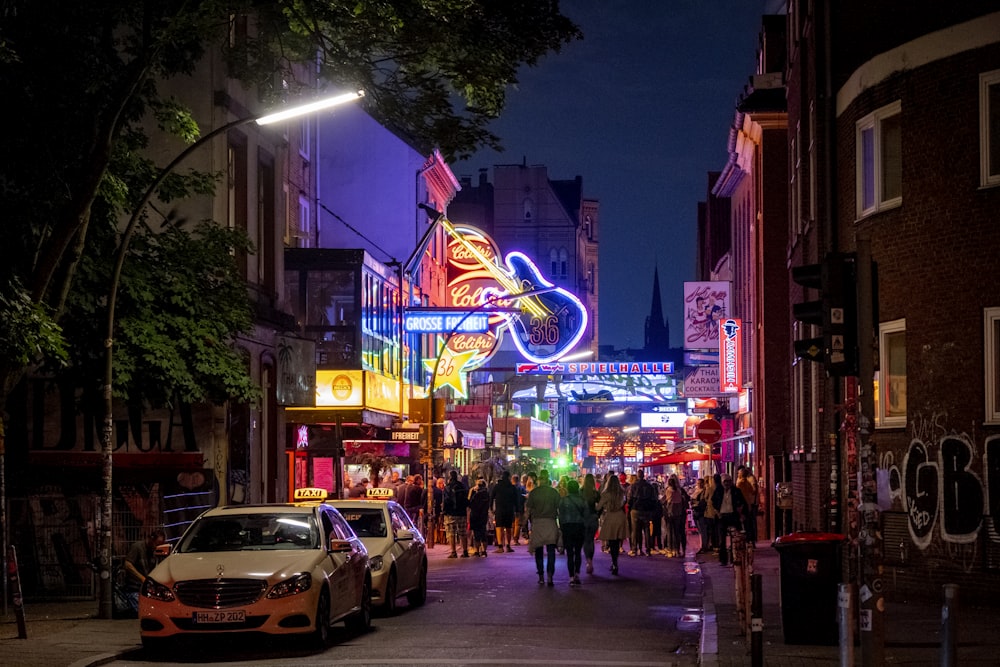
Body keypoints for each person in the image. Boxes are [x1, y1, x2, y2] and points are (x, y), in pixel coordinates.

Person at [525, 469, 561, 585]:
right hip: (550, 522)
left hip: (538, 523)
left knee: (539, 551)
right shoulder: (554, 492)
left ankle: (541, 575)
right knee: (551, 551)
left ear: (540, 480)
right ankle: (550, 575)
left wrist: (523, 524)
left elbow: (528, 510)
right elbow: (559, 508)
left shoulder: (534, 493)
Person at [123, 529, 166, 613]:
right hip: (134, 587)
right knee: (143, 611)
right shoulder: (137, 547)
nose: (157, 546)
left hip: (146, 588)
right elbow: (128, 564)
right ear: (151, 539)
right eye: (157, 544)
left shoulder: (154, 552)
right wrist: (142, 578)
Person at [711, 473, 748, 566]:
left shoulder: (736, 491)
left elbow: (743, 502)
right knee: (722, 540)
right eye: (725, 481)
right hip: (722, 516)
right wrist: (717, 512)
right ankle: (723, 560)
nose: (727, 483)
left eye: (728, 481)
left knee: (734, 539)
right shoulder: (718, 491)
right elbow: (713, 502)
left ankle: (733, 559)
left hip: (733, 515)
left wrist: (741, 512)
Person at [596, 473, 627, 575]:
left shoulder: (606, 494)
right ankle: (615, 562)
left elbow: (598, 506)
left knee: (612, 540)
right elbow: (624, 503)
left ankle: (614, 562)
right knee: (617, 541)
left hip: (610, 516)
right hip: (620, 516)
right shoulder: (622, 493)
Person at [558, 479, 587, 586]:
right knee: (578, 551)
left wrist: (561, 527)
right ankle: (577, 574)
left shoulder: (563, 500)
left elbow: (560, 514)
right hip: (579, 526)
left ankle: (571, 577)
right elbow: (586, 514)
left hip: (567, 526)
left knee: (569, 553)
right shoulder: (582, 500)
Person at [626, 469, 656, 556]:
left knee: (635, 530)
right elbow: (654, 499)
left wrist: (629, 506)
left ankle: (634, 549)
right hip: (646, 509)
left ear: (638, 476)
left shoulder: (633, 486)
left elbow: (629, 498)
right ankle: (648, 549)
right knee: (646, 530)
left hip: (635, 509)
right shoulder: (649, 486)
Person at [443, 470, 470, 558]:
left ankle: (453, 552)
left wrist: (444, 511)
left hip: (451, 513)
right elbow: (466, 499)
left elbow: (446, 500)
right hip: (461, 512)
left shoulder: (447, 487)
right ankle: (465, 551)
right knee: (462, 532)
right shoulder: (462, 486)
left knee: (451, 533)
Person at [491, 470, 518, 553]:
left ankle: (500, 546)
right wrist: (516, 509)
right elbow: (516, 499)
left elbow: (492, 497)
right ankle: (508, 545)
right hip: (509, 510)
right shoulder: (512, 487)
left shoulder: (497, 486)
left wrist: (491, 508)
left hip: (499, 509)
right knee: (508, 528)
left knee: (499, 527)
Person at [663, 475, 688, 557]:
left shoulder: (668, 490)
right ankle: (679, 550)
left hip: (670, 514)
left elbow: (664, 500)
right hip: (680, 514)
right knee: (678, 532)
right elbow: (686, 500)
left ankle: (670, 549)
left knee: (670, 532)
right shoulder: (680, 491)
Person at [580, 473, 601, 574]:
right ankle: (590, 560)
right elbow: (601, 505)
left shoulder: (580, 492)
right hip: (593, 517)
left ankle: (587, 560)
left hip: (583, 518)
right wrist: (598, 514)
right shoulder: (595, 493)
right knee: (591, 540)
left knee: (585, 540)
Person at [468, 479, 491, 557]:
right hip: (483, 516)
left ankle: (477, 551)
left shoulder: (475, 493)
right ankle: (484, 551)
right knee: (483, 532)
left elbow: (469, 503)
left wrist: (472, 492)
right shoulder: (486, 494)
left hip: (475, 515)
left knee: (476, 533)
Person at [736, 465, 759, 544]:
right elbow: (753, 491)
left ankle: (746, 540)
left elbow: (738, 495)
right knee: (749, 523)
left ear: (741, 474)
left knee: (744, 524)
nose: (737, 474)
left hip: (743, 506)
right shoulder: (747, 482)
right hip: (748, 504)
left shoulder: (740, 484)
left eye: (738, 473)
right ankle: (751, 540)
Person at [690, 477, 711, 554]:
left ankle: (704, 546)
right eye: (698, 483)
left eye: (700, 483)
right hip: (696, 512)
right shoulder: (696, 491)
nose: (699, 484)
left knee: (703, 530)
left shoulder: (704, 492)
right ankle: (703, 545)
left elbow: (702, 502)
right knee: (700, 530)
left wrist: (695, 504)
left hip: (700, 512)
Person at [511, 474, 527, 546]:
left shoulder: (510, 488)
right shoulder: (521, 488)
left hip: (511, 509)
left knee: (512, 524)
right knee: (517, 524)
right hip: (519, 508)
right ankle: (515, 539)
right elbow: (524, 497)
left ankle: (512, 538)